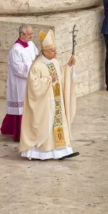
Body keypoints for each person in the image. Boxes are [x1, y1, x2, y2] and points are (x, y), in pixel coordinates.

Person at [19, 29, 79, 161]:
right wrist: (48, 79)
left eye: (55, 50)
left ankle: (62, 151)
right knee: (46, 126)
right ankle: (42, 153)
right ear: (45, 51)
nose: (55, 53)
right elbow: (33, 86)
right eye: (52, 51)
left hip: (56, 103)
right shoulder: (37, 66)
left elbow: (61, 75)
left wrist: (68, 66)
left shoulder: (55, 62)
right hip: (44, 105)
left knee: (58, 124)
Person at [1, 24, 39, 141]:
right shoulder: (15, 49)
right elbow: (18, 69)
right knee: (21, 108)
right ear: (21, 34)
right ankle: (19, 133)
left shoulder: (31, 44)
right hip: (20, 83)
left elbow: (36, 56)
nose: (31, 36)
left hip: (32, 80)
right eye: (29, 34)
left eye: (32, 33)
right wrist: (32, 65)